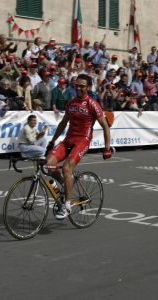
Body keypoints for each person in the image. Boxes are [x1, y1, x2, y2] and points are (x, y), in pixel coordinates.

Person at [45, 74, 112, 220]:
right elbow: (63, 123)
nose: (79, 88)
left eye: (82, 86)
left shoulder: (92, 104)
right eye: (77, 85)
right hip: (68, 139)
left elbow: (106, 126)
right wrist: (53, 140)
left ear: (88, 87)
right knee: (48, 165)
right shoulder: (71, 103)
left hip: (83, 140)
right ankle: (65, 184)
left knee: (66, 168)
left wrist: (107, 148)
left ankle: (67, 206)